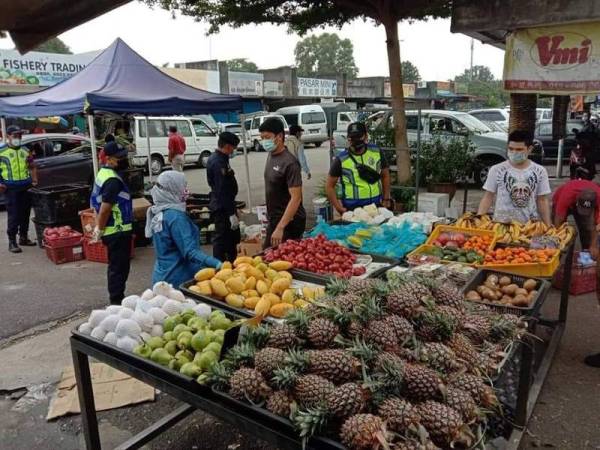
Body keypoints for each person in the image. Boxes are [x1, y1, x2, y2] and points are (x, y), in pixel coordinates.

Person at [146, 171, 221, 287]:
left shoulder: (159, 211)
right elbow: (190, 252)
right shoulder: (176, 218)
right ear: (172, 189)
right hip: (178, 280)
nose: (186, 191)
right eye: (183, 187)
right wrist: (217, 264)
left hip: (162, 276)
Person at [477, 130, 552, 226]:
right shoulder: (496, 170)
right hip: (501, 225)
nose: (514, 152)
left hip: (529, 227)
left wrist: (548, 226)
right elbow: (488, 197)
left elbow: (542, 200)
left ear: (529, 149)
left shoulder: (540, 171)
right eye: (511, 149)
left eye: (519, 149)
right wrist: (478, 220)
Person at [90, 142, 133, 305]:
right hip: (117, 230)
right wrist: (98, 231)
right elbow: (105, 209)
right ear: (109, 159)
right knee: (119, 269)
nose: (123, 160)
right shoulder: (112, 181)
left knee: (117, 267)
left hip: (114, 230)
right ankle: (116, 302)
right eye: (119, 158)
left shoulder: (103, 173)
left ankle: (117, 298)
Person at [259, 117, 306, 248]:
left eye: (267, 137)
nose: (264, 141)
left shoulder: (290, 163)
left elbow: (296, 198)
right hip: (275, 218)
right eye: (262, 138)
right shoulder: (271, 155)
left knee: (280, 260)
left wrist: (280, 228)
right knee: (268, 256)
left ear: (279, 136)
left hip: (289, 222)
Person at [326, 122, 391, 214]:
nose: (356, 140)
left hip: (375, 206)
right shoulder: (341, 159)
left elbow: (385, 175)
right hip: (353, 209)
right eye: (352, 138)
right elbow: (329, 186)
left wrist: (386, 198)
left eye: (359, 137)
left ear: (366, 136)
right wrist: (338, 207)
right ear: (348, 139)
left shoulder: (376, 152)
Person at [0, 125, 38, 253]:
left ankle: (23, 237)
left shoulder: (25, 150)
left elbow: (32, 166)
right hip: (11, 188)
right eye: (15, 136)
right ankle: (12, 241)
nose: (18, 138)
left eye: (20, 136)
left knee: (25, 213)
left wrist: (34, 180)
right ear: (8, 136)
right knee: (14, 215)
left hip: (26, 187)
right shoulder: (1, 151)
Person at [207, 131, 241, 262]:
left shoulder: (221, 158)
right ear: (227, 146)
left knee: (230, 238)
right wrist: (231, 213)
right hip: (222, 207)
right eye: (233, 148)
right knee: (221, 238)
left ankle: (231, 262)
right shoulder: (217, 162)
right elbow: (222, 190)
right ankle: (219, 265)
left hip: (226, 204)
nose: (234, 151)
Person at [552, 179, 600, 254]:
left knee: (586, 230)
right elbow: (558, 220)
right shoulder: (567, 195)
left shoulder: (598, 198)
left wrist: (593, 245)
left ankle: (586, 253)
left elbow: (597, 226)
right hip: (561, 199)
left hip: (583, 200)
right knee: (557, 232)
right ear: (577, 202)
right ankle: (558, 256)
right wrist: (557, 240)